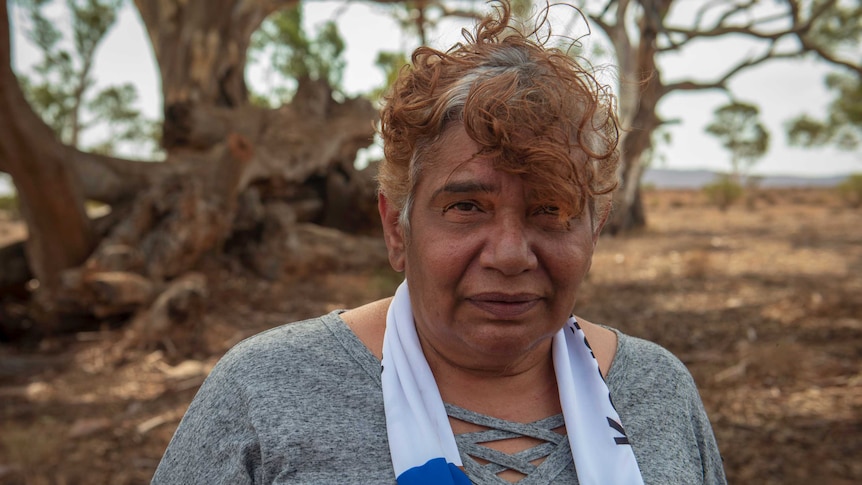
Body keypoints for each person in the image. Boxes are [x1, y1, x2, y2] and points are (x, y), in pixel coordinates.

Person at [152, 2, 726, 483]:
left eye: (550, 210)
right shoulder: (267, 392)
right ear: (396, 228)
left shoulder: (659, 393)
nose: (508, 255)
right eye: (466, 207)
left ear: (593, 233)